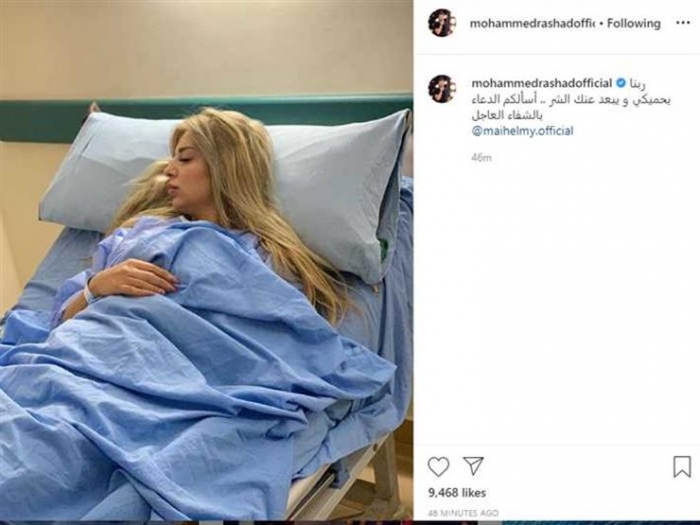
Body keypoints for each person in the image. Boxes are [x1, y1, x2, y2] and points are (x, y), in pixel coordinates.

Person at [59, 108, 350, 326]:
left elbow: (283, 340)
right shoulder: (140, 232)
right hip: (95, 350)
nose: (169, 170)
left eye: (185, 158)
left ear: (225, 167)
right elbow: (60, 324)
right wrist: (97, 287)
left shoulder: (267, 257)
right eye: (172, 158)